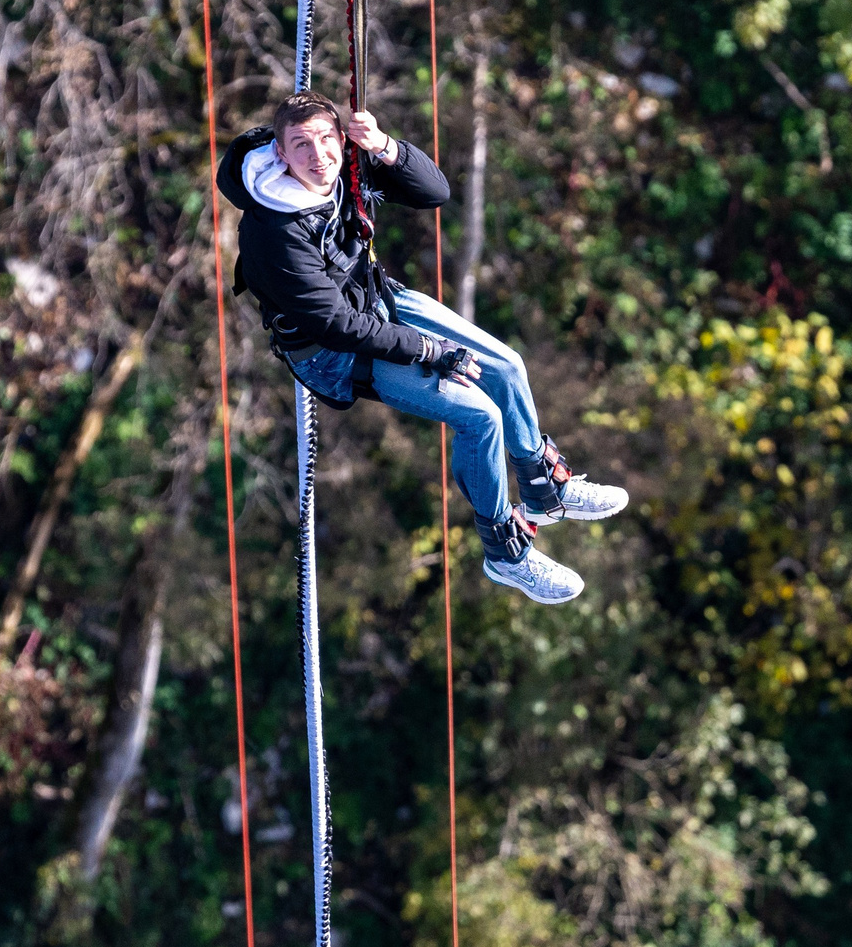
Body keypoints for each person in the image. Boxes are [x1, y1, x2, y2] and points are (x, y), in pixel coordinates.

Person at [217, 91, 627, 604]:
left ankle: (546, 487)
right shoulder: (275, 231)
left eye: (328, 139)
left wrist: (385, 147)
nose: (319, 154)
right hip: (333, 351)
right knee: (480, 416)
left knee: (507, 365)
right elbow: (334, 324)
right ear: (280, 155)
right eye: (301, 145)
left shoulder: (346, 167)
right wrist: (432, 351)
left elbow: (434, 192)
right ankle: (506, 554)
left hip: (374, 298)